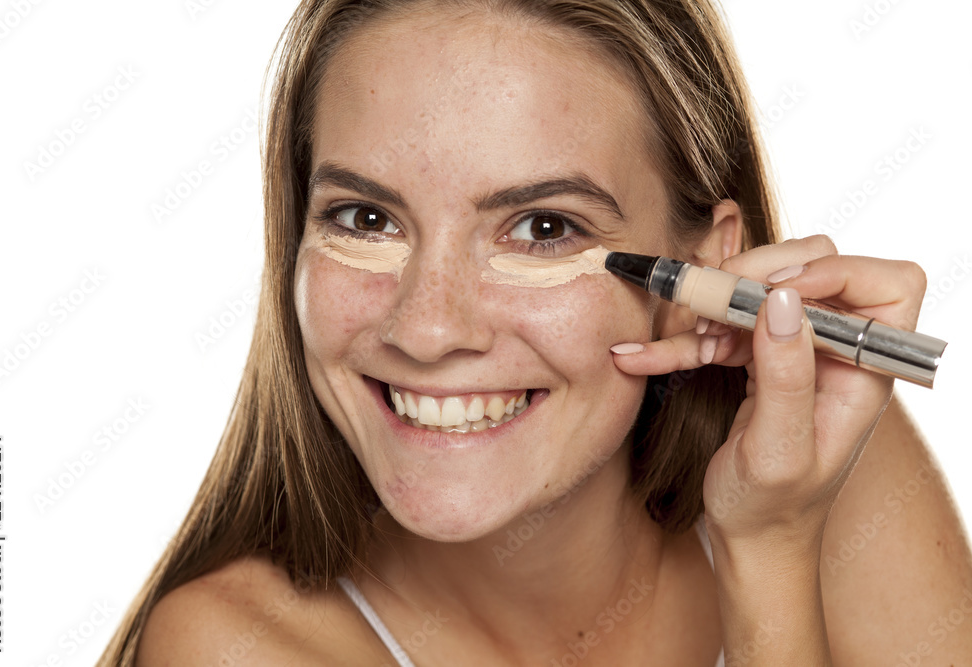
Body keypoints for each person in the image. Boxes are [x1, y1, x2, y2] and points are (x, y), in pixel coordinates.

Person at [100, 0, 972, 664]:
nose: (429, 328)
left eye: (543, 228)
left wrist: (768, 548)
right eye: (365, 218)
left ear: (700, 271)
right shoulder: (235, 648)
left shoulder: (810, 459)